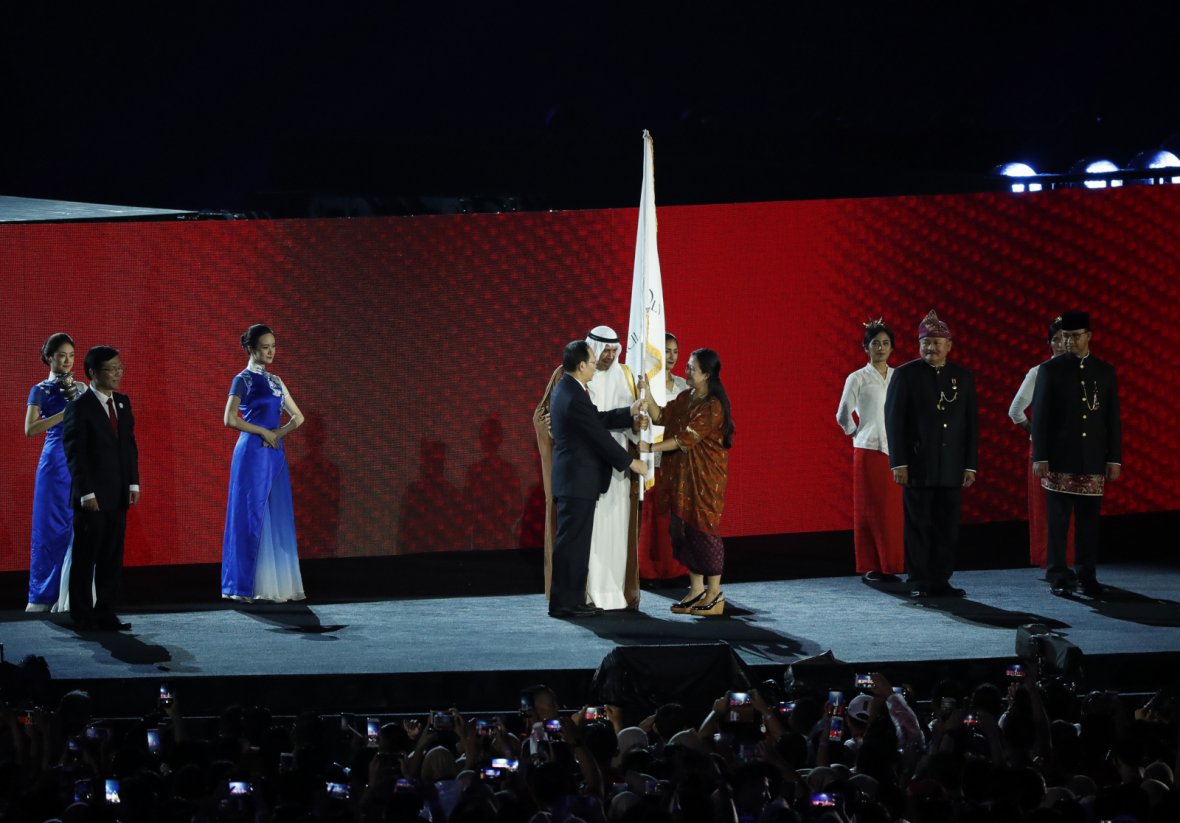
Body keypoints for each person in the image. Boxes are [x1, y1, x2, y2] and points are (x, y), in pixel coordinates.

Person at [548, 340, 647, 618]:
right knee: (572, 545)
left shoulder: (568, 389)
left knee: (574, 544)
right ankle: (566, 603)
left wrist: (628, 413)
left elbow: (596, 419)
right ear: (581, 366)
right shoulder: (572, 394)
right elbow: (598, 436)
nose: (595, 368)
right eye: (592, 364)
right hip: (576, 480)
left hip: (575, 480)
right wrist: (631, 462)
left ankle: (570, 600)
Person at [884, 310, 978, 599]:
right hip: (917, 464)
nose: (931, 348)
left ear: (949, 345)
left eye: (937, 343)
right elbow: (894, 421)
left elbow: (970, 423)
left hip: (951, 466)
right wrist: (898, 462)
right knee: (918, 525)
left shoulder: (961, 377)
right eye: (926, 343)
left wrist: (969, 465)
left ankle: (941, 579)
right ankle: (919, 580)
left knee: (946, 526)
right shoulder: (905, 375)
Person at [1031, 310, 1121, 598]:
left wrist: (1113, 458)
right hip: (1059, 458)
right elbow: (1041, 417)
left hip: (1092, 457)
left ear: (1089, 336)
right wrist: (1040, 457)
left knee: (1088, 522)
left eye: (1075, 336)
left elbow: (1111, 419)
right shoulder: (1050, 370)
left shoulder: (1104, 371)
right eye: (1066, 337)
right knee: (1058, 521)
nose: (1069, 342)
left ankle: (1087, 574)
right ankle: (1058, 573)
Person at [639, 348, 735, 616]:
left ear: (706, 374)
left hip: (705, 480)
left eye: (691, 368)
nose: (686, 371)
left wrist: (649, 447)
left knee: (704, 532)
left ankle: (715, 594)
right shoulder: (685, 398)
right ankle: (696, 589)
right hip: (682, 478)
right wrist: (645, 392)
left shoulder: (713, 406)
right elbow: (661, 417)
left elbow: (684, 440)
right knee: (684, 532)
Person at [221, 324, 306, 602]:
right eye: (265, 347)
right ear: (250, 349)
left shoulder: (277, 381)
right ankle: (246, 585)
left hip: (273, 452)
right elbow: (230, 419)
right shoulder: (242, 380)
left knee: (275, 515)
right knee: (250, 514)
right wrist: (263, 431)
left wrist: (278, 434)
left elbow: (298, 417)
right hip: (251, 454)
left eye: (273, 346)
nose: (271, 352)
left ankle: (275, 584)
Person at [62, 346, 140, 632]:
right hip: (91, 497)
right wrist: (86, 493)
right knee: (86, 557)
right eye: (111, 369)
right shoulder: (79, 407)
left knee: (111, 556)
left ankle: (106, 611)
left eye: (120, 367)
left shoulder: (122, 403)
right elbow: (75, 453)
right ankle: (82, 615)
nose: (118, 373)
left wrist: (133, 482)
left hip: (118, 493)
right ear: (93, 373)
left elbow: (128, 446)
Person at [835, 319, 904, 584]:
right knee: (870, 510)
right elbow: (843, 412)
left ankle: (892, 564)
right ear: (866, 347)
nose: (881, 348)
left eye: (886, 343)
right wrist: (855, 432)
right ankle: (872, 565)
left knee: (891, 511)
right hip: (868, 449)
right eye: (875, 343)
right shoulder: (858, 377)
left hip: (895, 449)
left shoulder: (898, 376)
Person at [24, 333, 87, 612]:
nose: (67, 361)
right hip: (53, 463)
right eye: (61, 355)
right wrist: (66, 414)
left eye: (71, 356)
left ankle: (68, 598)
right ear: (49, 357)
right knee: (49, 528)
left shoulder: (81, 388)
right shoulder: (40, 389)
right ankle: (41, 597)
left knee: (78, 528)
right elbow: (30, 429)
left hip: (79, 461)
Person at [583, 326, 643, 610]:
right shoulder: (578, 376)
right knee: (592, 532)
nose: (608, 356)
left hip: (618, 470)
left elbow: (633, 424)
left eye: (613, 351)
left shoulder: (627, 376)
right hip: (587, 465)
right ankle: (590, 592)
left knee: (617, 531)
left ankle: (615, 591)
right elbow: (589, 422)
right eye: (604, 351)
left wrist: (636, 425)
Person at [1008, 317, 1075, 569]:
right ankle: (1049, 560)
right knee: (1047, 509)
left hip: (1072, 448)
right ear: (1049, 344)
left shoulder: (1081, 371)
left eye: (1066, 338)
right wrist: (1036, 432)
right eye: (1056, 339)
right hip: (1046, 451)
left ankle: (1068, 559)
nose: (1062, 344)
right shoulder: (1039, 372)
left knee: (1069, 508)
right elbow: (1015, 410)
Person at [637, 333, 689, 584]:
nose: (671, 356)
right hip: (653, 457)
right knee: (654, 515)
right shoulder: (650, 384)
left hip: (677, 457)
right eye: (667, 351)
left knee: (676, 515)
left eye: (675, 351)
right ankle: (650, 568)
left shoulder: (682, 385)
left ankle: (676, 567)